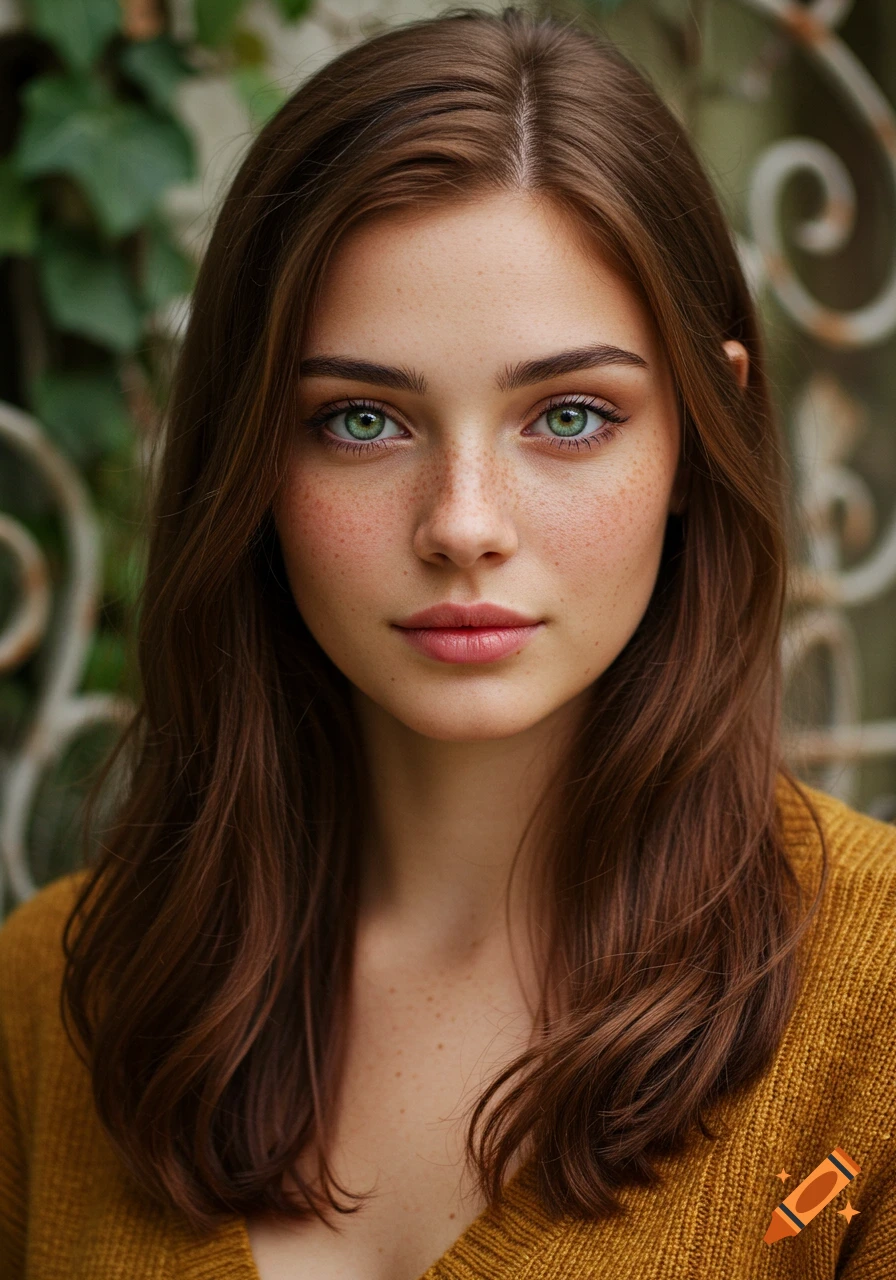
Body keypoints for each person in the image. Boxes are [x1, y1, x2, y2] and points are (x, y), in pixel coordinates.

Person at [1, 7, 895, 1279]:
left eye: (569, 414)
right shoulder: (53, 998)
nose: (462, 524)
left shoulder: (877, 1012)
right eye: (361, 420)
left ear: (700, 433)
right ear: (250, 454)